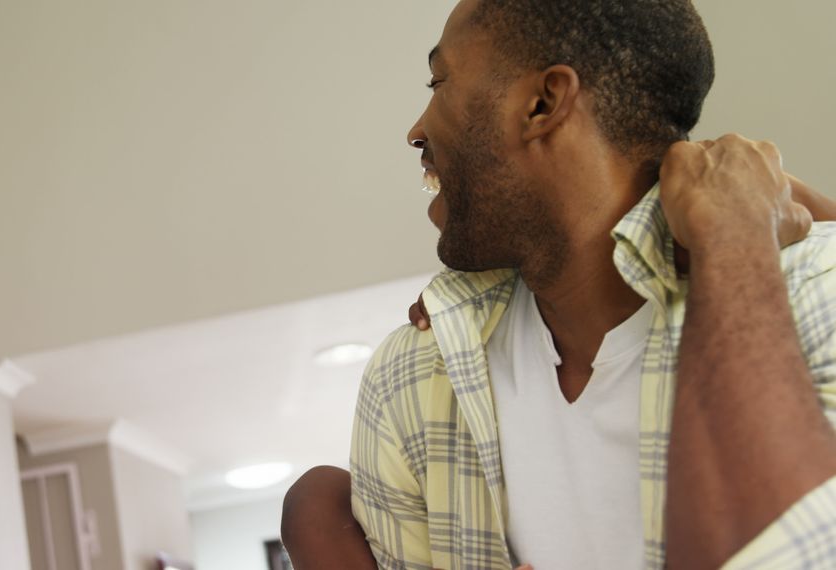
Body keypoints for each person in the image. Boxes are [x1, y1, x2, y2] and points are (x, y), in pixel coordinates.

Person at [281, 1, 836, 568]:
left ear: (543, 104)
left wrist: (733, 238)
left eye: (439, 81)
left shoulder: (820, 294)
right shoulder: (413, 379)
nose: (416, 130)